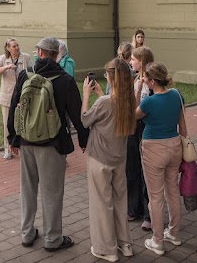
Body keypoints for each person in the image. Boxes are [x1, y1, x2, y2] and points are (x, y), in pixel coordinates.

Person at [7, 37, 88, 252]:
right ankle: (53, 239)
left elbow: (15, 106)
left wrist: (12, 138)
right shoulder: (65, 80)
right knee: (52, 192)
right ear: (56, 54)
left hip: (26, 142)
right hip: (53, 143)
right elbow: (77, 114)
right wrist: (83, 139)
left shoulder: (25, 74)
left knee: (28, 189)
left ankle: (27, 233)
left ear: (41, 53)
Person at [81, 57, 135, 262]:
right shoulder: (129, 101)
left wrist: (86, 95)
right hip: (119, 159)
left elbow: (85, 120)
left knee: (101, 204)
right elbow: (112, 113)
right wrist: (99, 94)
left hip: (100, 159)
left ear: (111, 78)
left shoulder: (105, 102)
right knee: (120, 202)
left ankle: (106, 249)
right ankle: (125, 244)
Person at [136, 61, 188, 256]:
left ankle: (157, 241)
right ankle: (173, 233)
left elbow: (134, 116)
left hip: (153, 148)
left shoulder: (149, 101)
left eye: (146, 79)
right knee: (172, 190)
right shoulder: (176, 95)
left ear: (151, 81)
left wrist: (138, 89)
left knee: (155, 196)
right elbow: (182, 126)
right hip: (174, 145)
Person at [0, 38, 32, 158]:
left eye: (17, 45)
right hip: (7, 97)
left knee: (24, 122)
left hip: (22, 95)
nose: (17, 48)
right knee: (8, 124)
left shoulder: (26, 57)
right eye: (13, 46)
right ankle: (7, 149)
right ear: (8, 48)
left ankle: (23, 147)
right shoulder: (3, 58)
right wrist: (6, 68)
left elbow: (31, 73)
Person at [127, 46, 154, 229]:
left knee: (146, 173)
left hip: (146, 129)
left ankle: (149, 214)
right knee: (132, 169)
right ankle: (133, 207)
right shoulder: (136, 79)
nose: (131, 62)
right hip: (133, 128)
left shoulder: (151, 81)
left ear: (142, 61)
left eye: (134, 59)